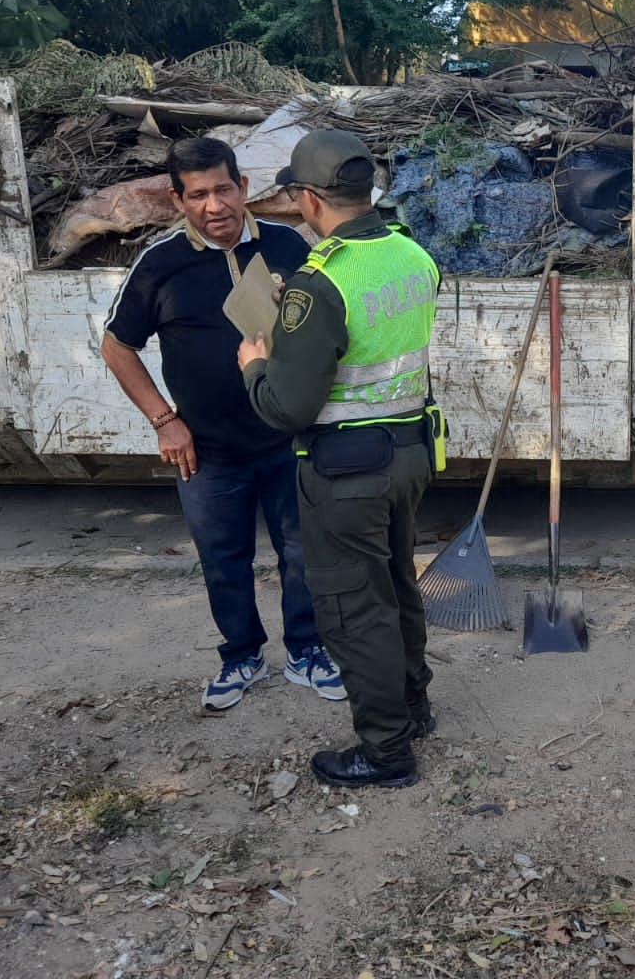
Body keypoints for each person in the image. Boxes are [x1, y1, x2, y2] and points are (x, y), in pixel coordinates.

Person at [101, 137, 343, 711]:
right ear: (178, 199)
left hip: (287, 437)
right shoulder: (161, 264)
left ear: (243, 188)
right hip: (206, 452)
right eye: (199, 194)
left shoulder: (288, 245)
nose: (215, 206)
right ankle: (241, 657)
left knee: (303, 552)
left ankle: (307, 651)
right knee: (223, 560)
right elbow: (117, 347)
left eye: (224, 189)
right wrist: (165, 422)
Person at [239, 129, 442, 789]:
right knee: (397, 584)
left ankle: (386, 750)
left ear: (308, 198)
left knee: (356, 608)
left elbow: (286, 408)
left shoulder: (318, 284)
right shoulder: (412, 254)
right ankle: (414, 705)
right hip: (410, 451)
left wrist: (257, 363)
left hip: (346, 471)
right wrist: (295, 306)